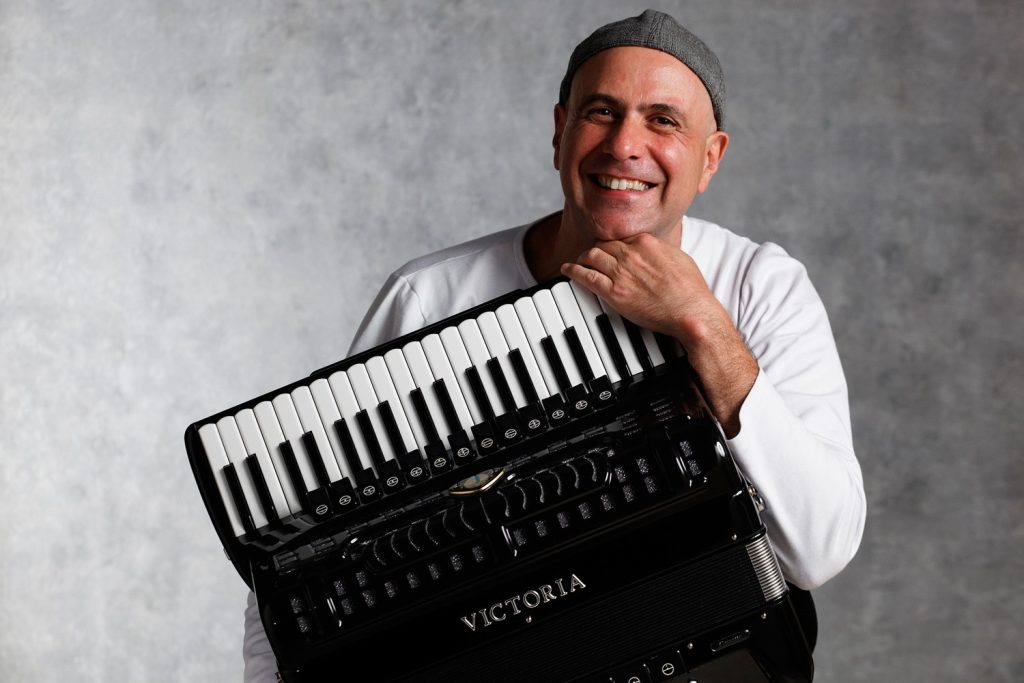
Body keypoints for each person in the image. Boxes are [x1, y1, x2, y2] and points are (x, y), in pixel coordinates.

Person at [243, 10, 866, 681]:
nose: (624, 145)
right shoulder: (430, 299)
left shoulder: (758, 287)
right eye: (601, 112)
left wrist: (703, 324)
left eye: (662, 120)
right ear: (559, 131)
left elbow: (817, 549)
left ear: (709, 157)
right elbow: (297, 566)